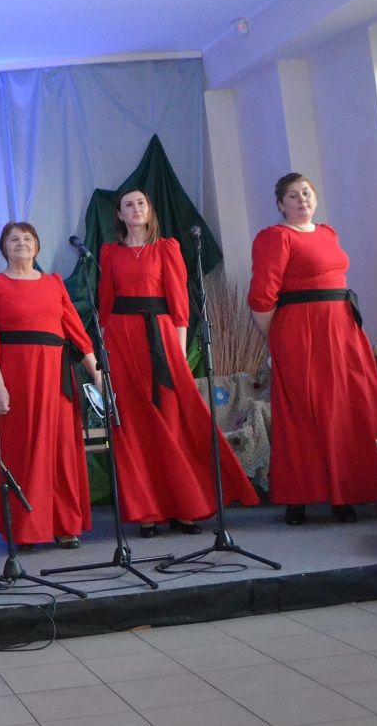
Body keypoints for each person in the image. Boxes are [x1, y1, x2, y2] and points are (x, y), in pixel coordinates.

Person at [99, 189, 259, 536]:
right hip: (123, 343)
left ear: (150, 210)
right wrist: (107, 355)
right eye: (129, 205)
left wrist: (179, 352)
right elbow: (107, 306)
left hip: (162, 340)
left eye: (141, 203)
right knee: (134, 427)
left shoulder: (166, 248)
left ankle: (184, 507)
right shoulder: (110, 252)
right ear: (120, 215)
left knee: (172, 422)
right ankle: (146, 511)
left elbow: (179, 305)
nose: (136, 209)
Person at [248, 173, 377, 524]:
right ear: (280, 205)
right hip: (300, 333)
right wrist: (276, 340)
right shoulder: (275, 237)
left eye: (306, 192)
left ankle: (345, 494)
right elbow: (261, 297)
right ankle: (298, 498)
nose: (302, 199)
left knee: (348, 407)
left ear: (314, 197)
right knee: (304, 411)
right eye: (292, 195)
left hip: (343, 329)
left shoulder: (328, 233)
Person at [0, 221, 101, 549]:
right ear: (3, 247)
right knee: (22, 450)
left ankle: (64, 524)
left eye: (27, 238)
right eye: (13, 239)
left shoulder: (54, 283)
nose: (21, 243)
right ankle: (24, 527)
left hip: (56, 377)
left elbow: (76, 332)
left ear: (37, 246)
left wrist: (98, 374)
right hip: (16, 376)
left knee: (60, 450)